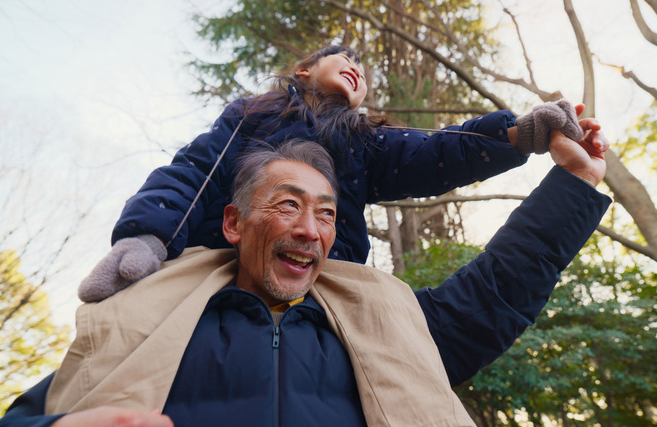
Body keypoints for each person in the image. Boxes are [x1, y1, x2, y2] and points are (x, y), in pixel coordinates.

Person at [0, 130, 611, 427]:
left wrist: (576, 184)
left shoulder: (382, 327)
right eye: (287, 205)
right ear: (233, 221)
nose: (311, 230)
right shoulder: (144, 326)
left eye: (327, 213)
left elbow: (492, 294)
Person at [77, 45, 595, 302]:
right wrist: (148, 237)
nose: (356, 68)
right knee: (135, 326)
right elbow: (194, 171)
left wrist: (518, 134)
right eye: (342, 58)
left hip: (328, 280)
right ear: (304, 70)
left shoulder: (364, 140)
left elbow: (438, 152)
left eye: (363, 71)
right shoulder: (252, 115)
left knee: (401, 352)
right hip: (223, 265)